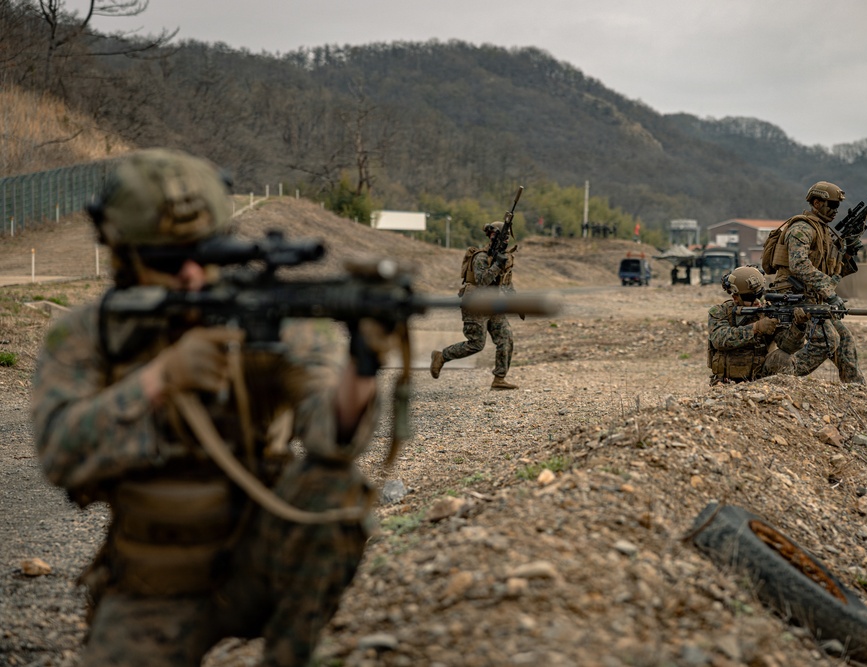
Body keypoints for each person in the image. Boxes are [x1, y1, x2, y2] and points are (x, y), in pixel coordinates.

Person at [32, 148, 386, 667]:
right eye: (170, 261)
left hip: (257, 559)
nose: (194, 274)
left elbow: (331, 440)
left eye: (209, 252)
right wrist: (161, 379)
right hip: (151, 582)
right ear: (124, 254)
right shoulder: (88, 334)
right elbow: (59, 455)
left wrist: (362, 363)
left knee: (335, 490)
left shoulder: (266, 321)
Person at [767, 181, 865, 383]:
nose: (836, 211)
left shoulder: (825, 233)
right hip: (795, 297)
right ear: (817, 203)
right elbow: (799, 265)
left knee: (844, 339)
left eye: (838, 206)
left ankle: (856, 387)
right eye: (832, 205)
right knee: (828, 341)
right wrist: (829, 293)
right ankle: (782, 378)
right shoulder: (802, 228)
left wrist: (847, 253)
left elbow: (831, 272)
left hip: (812, 298)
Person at [430, 221, 519, 390]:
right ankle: (441, 356)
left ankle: (499, 379)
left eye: (505, 237)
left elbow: (506, 283)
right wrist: (496, 265)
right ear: (491, 237)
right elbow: (482, 280)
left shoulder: (504, 258)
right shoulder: (481, 257)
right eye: (499, 236)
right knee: (476, 344)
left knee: (506, 337)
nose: (504, 240)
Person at [708, 266, 810, 386]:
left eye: (760, 294)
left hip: (761, 380)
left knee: (783, 357)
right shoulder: (720, 311)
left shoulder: (769, 312)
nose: (757, 301)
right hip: (726, 382)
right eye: (750, 297)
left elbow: (789, 348)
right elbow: (719, 339)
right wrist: (756, 328)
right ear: (735, 297)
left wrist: (799, 326)